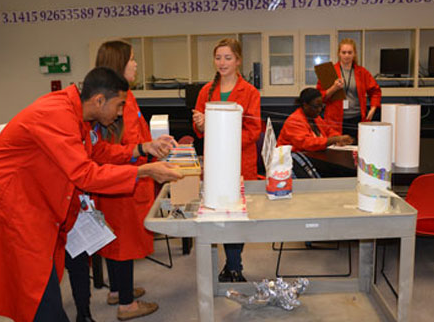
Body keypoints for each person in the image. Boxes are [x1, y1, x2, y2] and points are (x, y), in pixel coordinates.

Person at [0, 67, 182, 322]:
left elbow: (94, 151)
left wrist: (142, 148)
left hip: (35, 205)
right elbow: (84, 173)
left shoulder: (77, 113)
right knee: (37, 295)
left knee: (41, 289)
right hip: (12, 209)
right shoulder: (56, 115)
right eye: (120, 105)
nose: (121, 113)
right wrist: (144, 171)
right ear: (99, 100)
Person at [95, 40, 175, 321]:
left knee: (116, 241)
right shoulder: (116, 102)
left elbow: (135, 138)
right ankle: (126, 305)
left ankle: (118, 291)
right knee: (124, 242)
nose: (136, 64)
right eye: (132, 59)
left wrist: (152, 144)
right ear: (119, 64)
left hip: (126, 180)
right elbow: (113, 149)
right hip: (124, 183)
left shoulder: (124, 96)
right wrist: (144, 151)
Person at [192, 38, 261, 282]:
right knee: (218, 212)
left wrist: (223, 137)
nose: (222, 63)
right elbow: (199, 129)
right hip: (214, 163)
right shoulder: (205, 91)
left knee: (237, 214)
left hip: (241, 161)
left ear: (238, 60)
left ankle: (234, 265)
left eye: (228, 58)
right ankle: (233, 266)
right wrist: (200, 124)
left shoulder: (250, 92)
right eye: (218, 58)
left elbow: (253, 131)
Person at [316, 38, 381, 139]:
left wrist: (373, 108)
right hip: (335, 121)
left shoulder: (362, 72)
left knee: (357, 150)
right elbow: (320, 98)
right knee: (337, 151)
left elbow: (375, 91)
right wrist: (334, 88)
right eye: (344, 52)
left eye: (350, 52)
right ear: (339, 53)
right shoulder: (328, 71)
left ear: (354, 54)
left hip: (357, 119)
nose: (346, 55)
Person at [278, 88, 353, 152]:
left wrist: (338, 138)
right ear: (305, 105)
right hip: (292, 159)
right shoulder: (294, 120)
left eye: (321, 106)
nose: (319, 110)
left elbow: (329, 131)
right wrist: (333, 140)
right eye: (316, 107)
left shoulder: (315, 117)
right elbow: (306, 143)